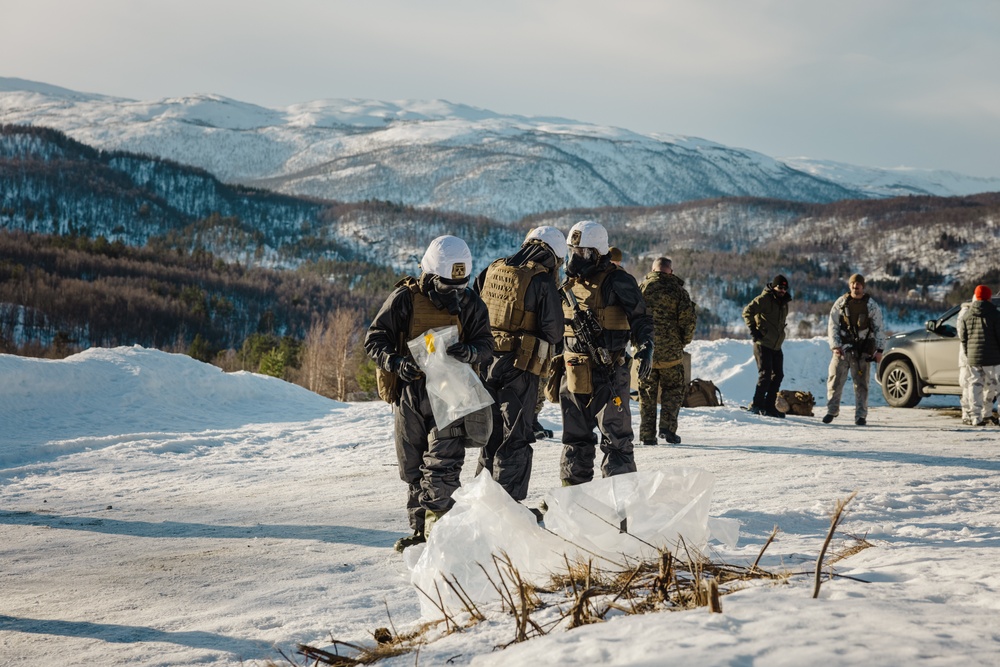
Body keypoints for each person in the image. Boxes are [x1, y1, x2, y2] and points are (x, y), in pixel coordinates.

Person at [364, 235, 494, 551]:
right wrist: (394, 362)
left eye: (461, 287)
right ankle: (421, 532)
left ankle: (442, 536)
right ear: (431, 277)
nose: (456, 295)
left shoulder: (472, 304)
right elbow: (375, 339)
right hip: (410, 394)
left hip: (453, 392)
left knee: (442, 466)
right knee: (412, 469)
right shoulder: (405, 300)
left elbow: (487, 344)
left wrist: (471, 352)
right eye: (449, 288)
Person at [474, 226, 565, 506]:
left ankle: (480, 501)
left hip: (484, 362)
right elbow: (554, 332)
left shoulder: (494, 268)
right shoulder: (540, 280)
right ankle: (508, 507)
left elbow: (472, 305)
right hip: (519, 366)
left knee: (490, 434)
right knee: (515, 436)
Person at [559, 220, 655, 486]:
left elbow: (642, 318)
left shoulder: (619, 280)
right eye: (572, 252)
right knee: (574, 440)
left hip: (609, 370)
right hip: (574, 372)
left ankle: (618, 504)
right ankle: (573, 499)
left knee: (616, 440)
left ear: (598, 252)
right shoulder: (569, 284)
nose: (576, 258)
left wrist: (645, 345)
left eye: (583, 253)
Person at [637, 257, 696, 445]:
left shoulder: (641, 289)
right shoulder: (678, 292)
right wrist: (682, 342)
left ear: (653, 269)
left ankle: (647, 435)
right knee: (673, 390)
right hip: (671, 353)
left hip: (646, 352)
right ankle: (668, 430)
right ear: (670, 270)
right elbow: (688, 321)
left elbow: (632, 316)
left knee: (647, 393)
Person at [822, 273, 886, 426]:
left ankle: (861, 415)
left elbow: (879, 328)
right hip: (843, 349)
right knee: (835, 379)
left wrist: (879, 350)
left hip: (863, 349)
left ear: (863, 287)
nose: (855, 288)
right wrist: (835, 346)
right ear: (849, 286)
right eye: (853, 285)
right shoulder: (841, 303)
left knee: (862, 384)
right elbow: (833, 325)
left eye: (858, 286)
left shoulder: (871, 305)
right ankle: (832, 410)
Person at [742, 275, 791, 418]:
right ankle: (757, 404)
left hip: (776, 345)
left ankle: (769, 406)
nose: (782, 290)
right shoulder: (764, 299)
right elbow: (747, 312)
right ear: (774, 286)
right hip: (763, 343)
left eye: (784, 288)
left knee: (779, 375)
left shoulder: (783, 302)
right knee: (765, 375)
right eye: (780, 287)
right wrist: (754, 331)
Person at [957, 285, 1000, 427]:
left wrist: (970, 354)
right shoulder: (995, 314)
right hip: (994, 359)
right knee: (997, 388)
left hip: (974, 359)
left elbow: (963, 338)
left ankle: (976, 417)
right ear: (988, 297)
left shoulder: (967, 315)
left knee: (975, 386)